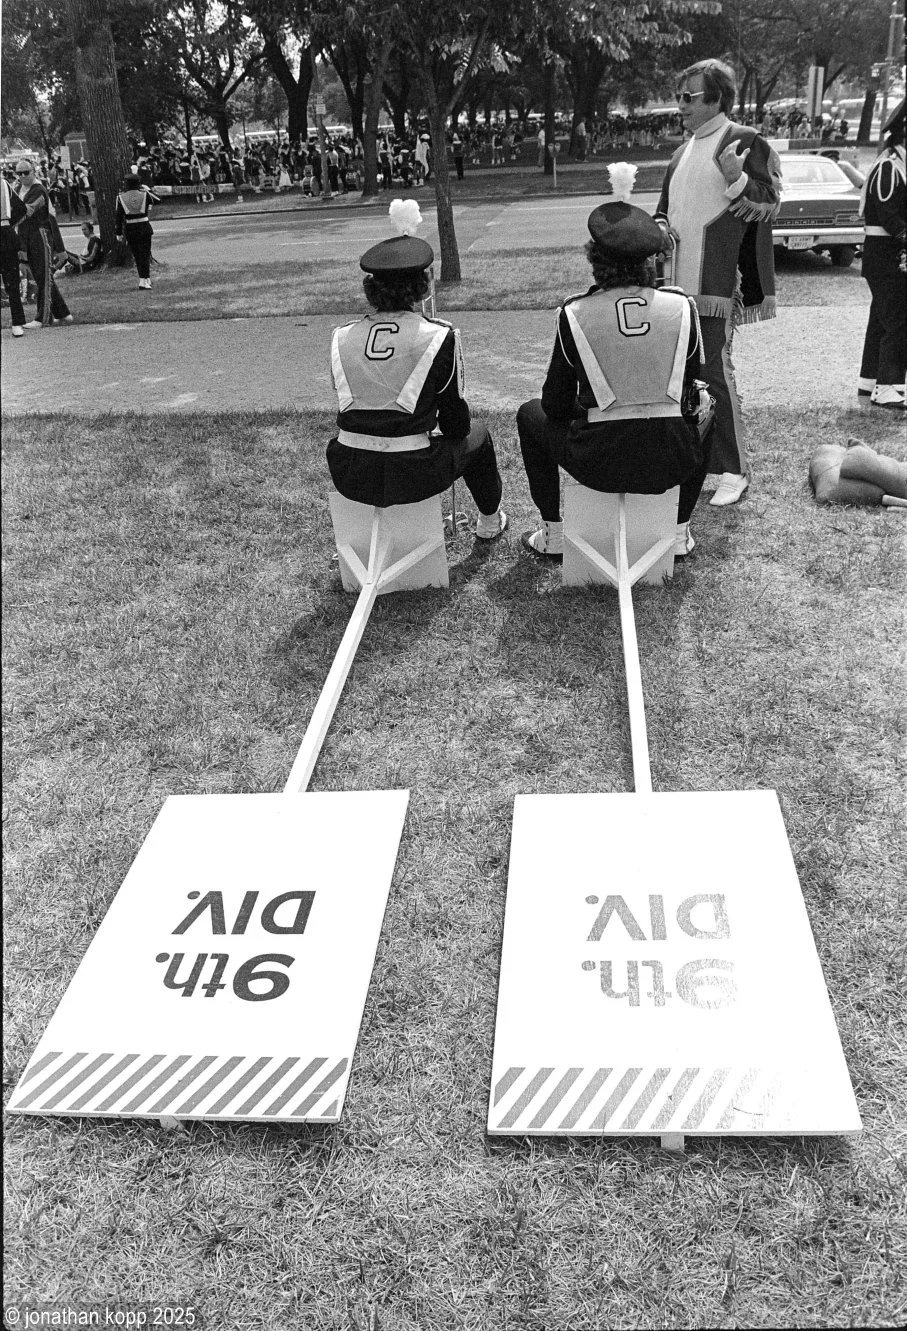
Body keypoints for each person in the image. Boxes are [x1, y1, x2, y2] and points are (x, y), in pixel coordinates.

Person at [516, 189, 711, 561]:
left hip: (598, 462)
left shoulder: (574, 313)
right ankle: (678, 531)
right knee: (707, 406)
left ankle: (554, 533)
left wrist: (597, 406)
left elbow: (554, 406)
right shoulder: (683, 307)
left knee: (530, 413)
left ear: (596, 260)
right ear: (650, 262)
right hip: (670, 460)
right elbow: (691, 387)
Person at [326, 200, 508, 540]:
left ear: (371, 289)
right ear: (423, 286)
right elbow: (456, 425)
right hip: (413, 473)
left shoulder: (341, 337)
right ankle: (489, 522)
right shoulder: (436, 336)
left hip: (349, 470)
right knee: (477, 436)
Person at [655, 58, 781, 506]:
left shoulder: (745, 140)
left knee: (713, 371)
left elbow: (769, 203)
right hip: (672, 285)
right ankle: (693, 461)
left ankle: (733, 469)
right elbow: (664, 210)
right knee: (679, 375)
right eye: (679, 97)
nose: (680, 105)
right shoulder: (680, 151)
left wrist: (737, 177)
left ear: (716, 99)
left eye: (688, 97)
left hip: (715, 282)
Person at [857, 97, 905, 411]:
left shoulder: (897, 164)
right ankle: (888, 387)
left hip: (885, 255)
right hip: (886, 255)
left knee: (881, 320)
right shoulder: (890, 167)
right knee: (898, 320)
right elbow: (888, 214)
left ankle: (870, 381)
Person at [14, 157, 73, 329]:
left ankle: (43, 318)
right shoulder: (18, 188)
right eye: (19, 173)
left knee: (43, 277)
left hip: (40, 236)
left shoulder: (38, 190)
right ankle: (63, 314)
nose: (23, 176)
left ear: (33, 171)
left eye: (26, 172)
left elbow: (27, 212)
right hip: (26, 236)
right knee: (42, 278)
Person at [115, 172, 160, 289]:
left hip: (131, 228)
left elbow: (118, 217)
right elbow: (158, 199)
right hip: (144, 227)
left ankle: (143, 279)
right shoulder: (145, 195)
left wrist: (118, 233)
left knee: (137, 255)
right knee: (145, 254)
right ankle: (146, 279)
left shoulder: (120, 197)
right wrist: (147, 190)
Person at [1, 172, 27, 337]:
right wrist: (10, 224)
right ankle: (17, 323)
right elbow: (21, 208)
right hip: (5, 232)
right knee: (11, 281)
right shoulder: (4, 184)